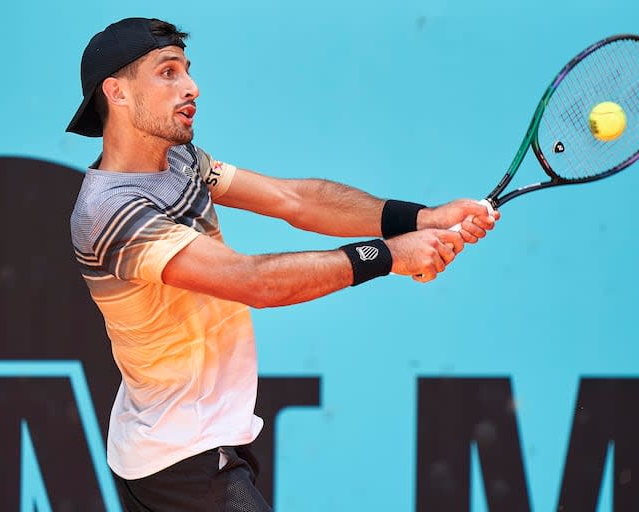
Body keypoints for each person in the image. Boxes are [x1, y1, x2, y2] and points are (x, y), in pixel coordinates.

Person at [67, 17, 499, 512]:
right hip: (181, 457)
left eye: (187, 70)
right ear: (116, 93)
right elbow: (253, 282)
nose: (192, 87)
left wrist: (418, 218)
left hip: (189, 439)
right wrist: (388, 256)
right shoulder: (113, 212)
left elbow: (291, 199)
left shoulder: (180, 159)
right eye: (168, 73)